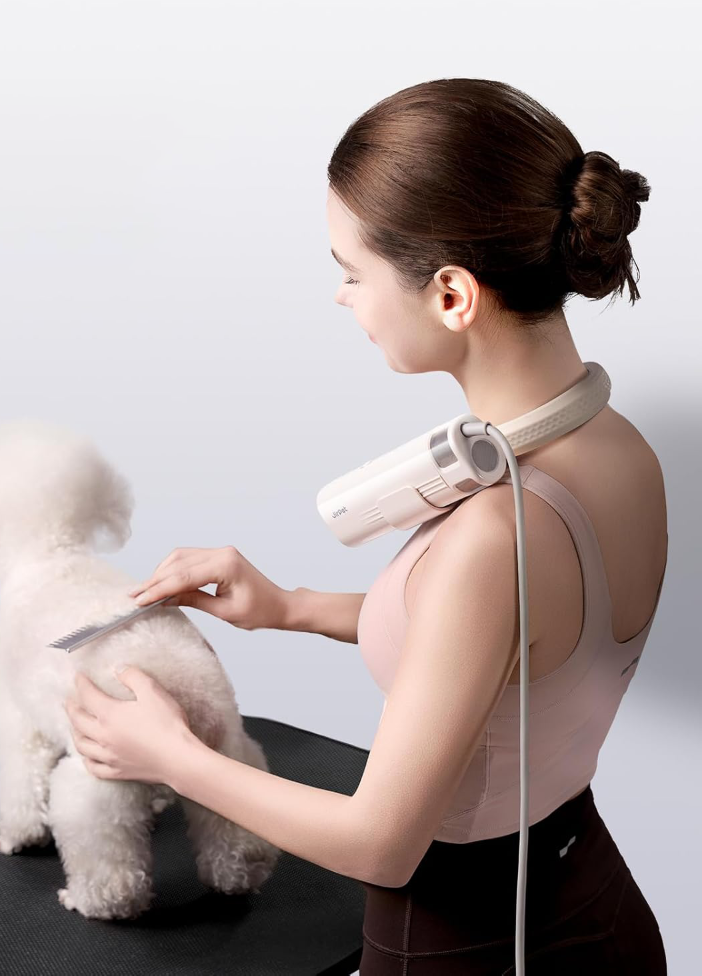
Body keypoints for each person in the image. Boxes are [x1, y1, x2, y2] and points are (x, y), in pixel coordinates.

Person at [64, 78, 668, 973]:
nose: (344, 298)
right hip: (595, 904)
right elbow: (515, 657)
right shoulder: (620, 448)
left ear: (453, 295)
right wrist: (290, 605)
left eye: (352, 272)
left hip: (467, 938)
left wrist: (173, 756)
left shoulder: (493, 540)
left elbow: (379, 843)